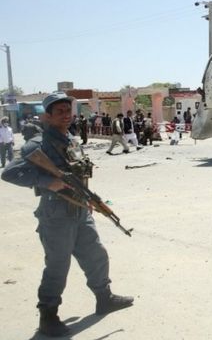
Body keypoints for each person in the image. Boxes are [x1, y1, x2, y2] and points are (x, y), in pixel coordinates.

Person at [1, 93, 133, 337]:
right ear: (47, 116)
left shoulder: (70, 139)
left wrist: (88, 199)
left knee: (96, 254)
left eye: (68, 109)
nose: (66, 114)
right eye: (59, 111)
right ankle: (48, 317)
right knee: (58, 265)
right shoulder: (37, 145)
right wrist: (46, 181)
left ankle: (104, 298)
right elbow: (9, 173)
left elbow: (78, 173)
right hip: (55, 214)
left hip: (80, 208)